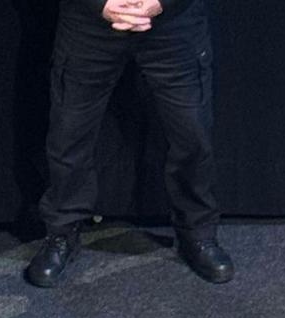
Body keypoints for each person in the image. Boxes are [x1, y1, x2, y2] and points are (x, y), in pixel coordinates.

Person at [25, 0, 232, 288]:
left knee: (192, 136)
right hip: (87, 23)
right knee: (68, 137)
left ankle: (197, 233)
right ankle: (62, 232)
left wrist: (161, 3)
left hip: (174, 23)